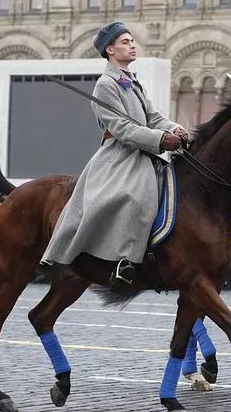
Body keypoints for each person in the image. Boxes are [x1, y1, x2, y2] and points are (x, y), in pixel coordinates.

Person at [41, 21, 187, 289]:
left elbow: (152, 117)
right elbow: (121, 128)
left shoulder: (132, 81)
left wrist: (174, 128)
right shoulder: (105, 84)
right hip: (120, 155)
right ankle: (124, 260)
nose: (132, 45)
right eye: (125, 42)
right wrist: (160, 139)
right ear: (109, 50)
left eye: (132, 41)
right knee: (137, 196)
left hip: (144, 151)